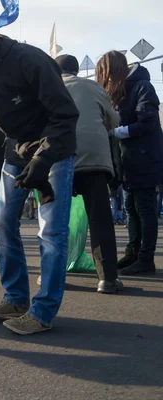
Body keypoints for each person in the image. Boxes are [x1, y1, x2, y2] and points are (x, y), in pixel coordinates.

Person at [0, 10, 79, 335]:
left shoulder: (28, 61)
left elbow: (65, 115)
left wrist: (44, 160)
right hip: (16, 152)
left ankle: (43, 312)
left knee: (51, 233)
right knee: (3, 221)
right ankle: (16, 297)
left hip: (55, 150)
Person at [56, 54, 123, 293]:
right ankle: (107, 279)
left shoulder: (48, 87)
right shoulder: (93, 87)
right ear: (76, 70)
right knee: (100, 218)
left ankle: (52, 277)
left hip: (59, 157)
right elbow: (114, 120)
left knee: (55, 221)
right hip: (94, 159)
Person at [96, 51, 162, 276]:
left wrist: (117, 131)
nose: (106, 81)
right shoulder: (126, 90)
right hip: (130, 159)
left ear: (115, 71)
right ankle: (133, 252)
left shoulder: (143, 87)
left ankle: (146, 258)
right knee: (132, 209)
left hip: (145, 158)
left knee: (144, 209)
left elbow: (148, 122)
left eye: (106, 75)